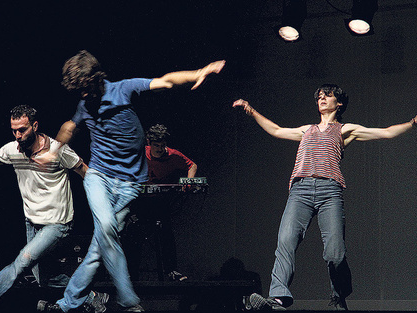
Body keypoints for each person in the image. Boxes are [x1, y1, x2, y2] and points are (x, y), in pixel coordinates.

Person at [36, 50, 225, 312]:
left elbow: (166, 80)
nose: (83, 96)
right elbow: (70, 126)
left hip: (129, 185)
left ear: (97, 78)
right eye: (78, 91)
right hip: (99, 178)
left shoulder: (123, 89)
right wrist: (54, 151)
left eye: (85, 88)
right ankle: (130, 303)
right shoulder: (84, 104)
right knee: (107, 229)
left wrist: (198, 72)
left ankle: (67, 304)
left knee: (99, 246)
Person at [232, 84, 417, 311]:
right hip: (300, 191)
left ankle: (339, 296)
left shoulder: (344, 130)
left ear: (338, 104)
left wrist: (412, 123)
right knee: (285, 241)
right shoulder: (306, 130)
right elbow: (276, 130)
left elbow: (386, 132)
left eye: (327, 96)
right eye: (319, 96)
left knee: (335, 252)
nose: (321, 98)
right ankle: (279, 298)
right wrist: (251, 110)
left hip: (330, 191)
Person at [0, 105, 109, 312]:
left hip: (57, 223)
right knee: (46, 278)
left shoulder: (57, 150)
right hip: (32, 223)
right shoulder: (12, 150)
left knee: (21, 262)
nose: (18, 135)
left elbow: (85, 172)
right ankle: (91, 296)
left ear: (34, 126)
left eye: (22, 130)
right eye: (14, 130)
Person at [123, 124, 197, 282]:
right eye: (156, 145)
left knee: (165, 229)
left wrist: (189, 182)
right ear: (149, 143)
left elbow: (192, 165)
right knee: (134, 232)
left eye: (163, 146)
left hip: (159, 201)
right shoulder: (140, 154)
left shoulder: (173, 155)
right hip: (140, 201)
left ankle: (171, 270)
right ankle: (131, 274)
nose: (160, 149)